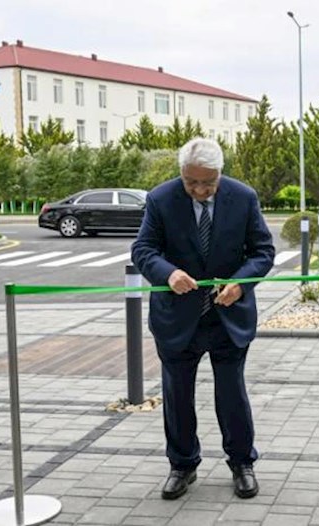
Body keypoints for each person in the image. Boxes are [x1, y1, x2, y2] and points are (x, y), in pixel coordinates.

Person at [131, 138, 275, 500]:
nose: (198, 190)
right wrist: (168, 274)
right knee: (177, 395)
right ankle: (182, 465)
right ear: (181, 174)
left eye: (206, 183)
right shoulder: (160, 199)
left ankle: (242, 463)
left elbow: (262, 251)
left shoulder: (243, 198)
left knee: (232, 394)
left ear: (219, 174)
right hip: (178, 319)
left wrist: (241, 285)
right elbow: (143, 249)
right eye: (190, 181)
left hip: (228, 315)